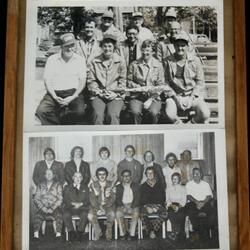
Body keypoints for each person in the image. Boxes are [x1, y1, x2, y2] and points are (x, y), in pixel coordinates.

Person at [36, 33, 87, 125]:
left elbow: (82, 81)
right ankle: (56, 126)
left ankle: (64, 123)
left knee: (80, 112)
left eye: (72, 45)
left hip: (73, 93)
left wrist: (73, 96)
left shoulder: (80, 60)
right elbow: (47, 80)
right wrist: (55, 97)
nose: (70, 48)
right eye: (66, 46)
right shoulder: (52, 59)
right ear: (61, 47)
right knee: (41, 111)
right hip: (54, 93)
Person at [164, 31, 210, 124]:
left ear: (187, 46)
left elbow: (200, 82)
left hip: (192, 96)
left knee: (205, 114)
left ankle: (191, 123)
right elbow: (165, 83)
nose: (180, 48)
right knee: (170, 114)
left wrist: (192, 96)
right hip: (175, 96)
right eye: (177, 45)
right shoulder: (168, 61)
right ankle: (180, 125)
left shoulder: (195, 60)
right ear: (174, 46)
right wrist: (175, 97)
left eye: (183, 45)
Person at [87, 33, 127, 125]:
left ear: (114, 47)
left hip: (116, 95)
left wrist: (115, 93)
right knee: (97, 114)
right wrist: (99, 92)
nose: (107, 49)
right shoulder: (95, 61)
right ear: (101, 47)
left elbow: (123, 80)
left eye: (110, 46)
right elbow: (91, 80)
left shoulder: (120, 61)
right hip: (98, 94)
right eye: (104, 46)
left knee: (112, 115)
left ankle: (114, 138)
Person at [127, 40, 167, 124]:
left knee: (153, 112)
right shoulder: (134, 64)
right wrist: (135, 86)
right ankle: (137, 131)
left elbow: (161, 85)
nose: (145, 53)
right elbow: (128, 81)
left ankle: (153, 132)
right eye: (143, 50)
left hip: (154, 97)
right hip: (137, 96)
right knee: (135, 112)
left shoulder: (158, 65)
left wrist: (150, 99)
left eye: (148, 50)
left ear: (153, 52)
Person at [185, 168, 215, 240]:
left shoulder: (206, 184)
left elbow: (209, 196)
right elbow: (188, 196)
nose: (196, 175)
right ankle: (197, 231)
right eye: (195, 173)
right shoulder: (189, 184)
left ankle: (206, 229)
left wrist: (203, 202)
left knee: (212, 211)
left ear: (201, 175)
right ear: (192, 175)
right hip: (193, 203)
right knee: (191, 210)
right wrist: (197, 202)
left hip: (204, 202)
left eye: (198, 173)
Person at [33, 169, 63, 240]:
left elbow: (60, 199)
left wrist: (52, 208)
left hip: (55, 208)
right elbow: (36, 198)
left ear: (53, 175)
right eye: (47, 174)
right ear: (45, 176)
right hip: (43, 207)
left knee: (59, 215)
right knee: (37, 216)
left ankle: (58, 235)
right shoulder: (40, 185)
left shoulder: (58, 185)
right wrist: (43, 208)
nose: (49, 175)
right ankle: (35, 235)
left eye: (50, 174)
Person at [88, 167, 116, 240]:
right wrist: (98, 209)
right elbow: (92, 199)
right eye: (99, 174)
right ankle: (98, 231)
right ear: (97, 176)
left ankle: (108, 232)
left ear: (106, 175)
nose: (102, 176)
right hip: (96, 206)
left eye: (104, 174)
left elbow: (113, 198)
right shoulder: (93, 185)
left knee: (112, 214)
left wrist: (105, 207)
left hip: (108, 206)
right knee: (90, 215)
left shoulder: (111, 184)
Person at [63, 172, 90, 242]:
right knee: (66, 214)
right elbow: (65, 199)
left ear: (82, 179)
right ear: (72, 178)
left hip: (82, 207)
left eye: (80, 177)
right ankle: (71, 233)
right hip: (70, 208)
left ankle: (79, 233)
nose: (78, 179)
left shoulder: (86, 188)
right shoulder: (67, 187)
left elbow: (88, 199)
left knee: (84, 214)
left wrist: (81, 204)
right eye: (76, 177)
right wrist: (73, 204)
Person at [140, 167, 166, 239]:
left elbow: (162, 198)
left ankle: (152, 230)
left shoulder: (160, 185)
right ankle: (152, 230)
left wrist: (156, 207)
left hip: (158, 206)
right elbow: (141, 200)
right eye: (148, 173)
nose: (150, 174)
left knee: (165, 213)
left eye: (152, 173)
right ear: (146, 174)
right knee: (142, 214)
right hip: (147, 206)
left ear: (154, 174)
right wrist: (147, 207)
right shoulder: (143, 186)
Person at [116, 169, 140, 240]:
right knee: (118, 213)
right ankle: (122, 233)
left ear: (131, 176)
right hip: (122, 205)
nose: (126, 177)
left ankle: (132, 234)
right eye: (124, 176)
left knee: (136, 213)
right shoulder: (118, 187)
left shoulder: (136, 186)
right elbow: (117, 199)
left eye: (128, 176)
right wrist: (122, 206)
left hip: (133, 205)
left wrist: (132, 206)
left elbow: (138, 198)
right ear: (121, 177)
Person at [165, 172, 186, 241]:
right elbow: (167, 200)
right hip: (171, 205)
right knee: (171, 214)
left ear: (179, 180)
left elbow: (183, 201)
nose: (175, 180)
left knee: (180, 214)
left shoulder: (183, 188)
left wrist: (178, 207)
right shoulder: (168, 188)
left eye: (176, 179)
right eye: (173, 179)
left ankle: (177, 232)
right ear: (171, 179)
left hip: (180, 205)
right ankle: (175, 232)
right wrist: (172, 205)